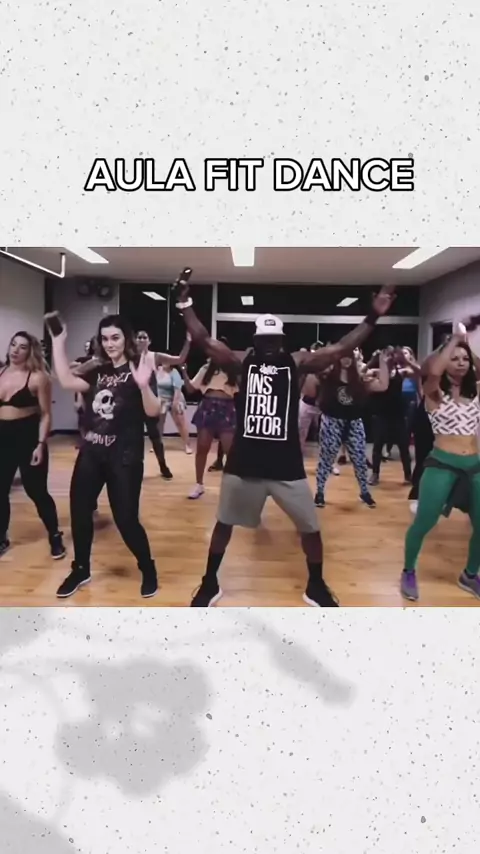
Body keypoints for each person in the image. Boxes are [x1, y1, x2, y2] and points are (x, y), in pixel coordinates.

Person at [171, 274, 396, 607]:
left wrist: (374, 315)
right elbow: (203, 339)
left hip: (286, 466)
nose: (269, 345)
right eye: (264, 340)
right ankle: (209, 582)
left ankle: (315, 585)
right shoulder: (241, 363)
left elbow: (342, 347)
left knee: (311, 529)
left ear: (282, 339)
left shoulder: (297, 363)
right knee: (224, 524)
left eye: (274, 339)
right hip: (244, 464)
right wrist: (184, 303)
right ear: (256, 339)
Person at [47, 313, 161, 599]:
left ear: (126, 339)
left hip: (125, 457)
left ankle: (147, 567)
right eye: (105, 338)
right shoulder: (97, 369)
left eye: (115, 338)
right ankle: (81, 568)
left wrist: (143, 385)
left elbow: (153, 411)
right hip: (92, 452)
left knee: (126, 520)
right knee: (79, 512)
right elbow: (65, 380)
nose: (110, 344)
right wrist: (58, 341)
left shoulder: (139, 367)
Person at [401, 322, 480, 601]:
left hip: (474, 466)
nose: (460, 363)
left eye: (464, 359)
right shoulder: (434, 392)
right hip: (442, 464)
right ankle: (408, 571)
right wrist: (455, 340)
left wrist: (466, 343)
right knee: (424, 522)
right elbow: (433, 371)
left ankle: (470, 574)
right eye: (454, 359)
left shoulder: (475, 391)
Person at [0, 331, 66, 559]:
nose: (15, 350)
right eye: (13, 344)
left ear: (30, 351)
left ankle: (55, 535)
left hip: (27, 438)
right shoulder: (1, 372)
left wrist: (40, 444)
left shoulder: (38, 377)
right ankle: (1, 537)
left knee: (36, 491)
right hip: (3, 439)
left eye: (22, 347)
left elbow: (46, 414)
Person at [315, 350, 390, 508]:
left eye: (350, 356)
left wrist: (383, 362)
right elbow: (315, 368)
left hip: (353, 421)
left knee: (359, 459)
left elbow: (383, 386)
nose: (347, 359)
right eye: (344, 355)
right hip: (332, 420)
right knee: (326, 458)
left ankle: (364, 492)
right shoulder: (329, 375)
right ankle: (320, 492)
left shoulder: (359, 378)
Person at [135, 330, 191, 479]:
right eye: (139, 337)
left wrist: (188, 341)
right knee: (134, 438)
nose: (141, 339)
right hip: (133, 403)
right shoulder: (129, 357)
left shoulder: (155, 356)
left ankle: (163, 465)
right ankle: (135, 468)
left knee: (155, 436)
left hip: (150, 401)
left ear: (149, 341)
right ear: (134, 340)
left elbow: (179, 359)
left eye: (144, 337)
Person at [181, 360, 238, 499]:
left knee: (230, 451)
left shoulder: (233, 369)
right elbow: (190, 389)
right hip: (208, 406)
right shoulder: (206, 368)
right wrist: (184, 372)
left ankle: (233, 486)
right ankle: (199, 484)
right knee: (202, 447)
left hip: (227, 407)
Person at [368, 348, 413, 485]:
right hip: (382, 414)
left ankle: (408, 475)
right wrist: (374, 361)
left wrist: (405, 360)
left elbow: (415, 371)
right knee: (378, 446)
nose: (389, 358)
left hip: (398, 415)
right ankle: (375, 474)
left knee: (404, 447)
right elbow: (364, 372)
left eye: (391, 355)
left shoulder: (401, 372)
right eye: (387, 355)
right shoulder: (377, 372)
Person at [155, 362, 192, 454]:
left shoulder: (174, 372)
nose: (165, 362)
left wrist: (175, 403)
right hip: (162, 399)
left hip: (175, 397)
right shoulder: (157, 370)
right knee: (159, 423)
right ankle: (158, 445)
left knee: (180, 423)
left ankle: (187, 445)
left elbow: (177, 389)